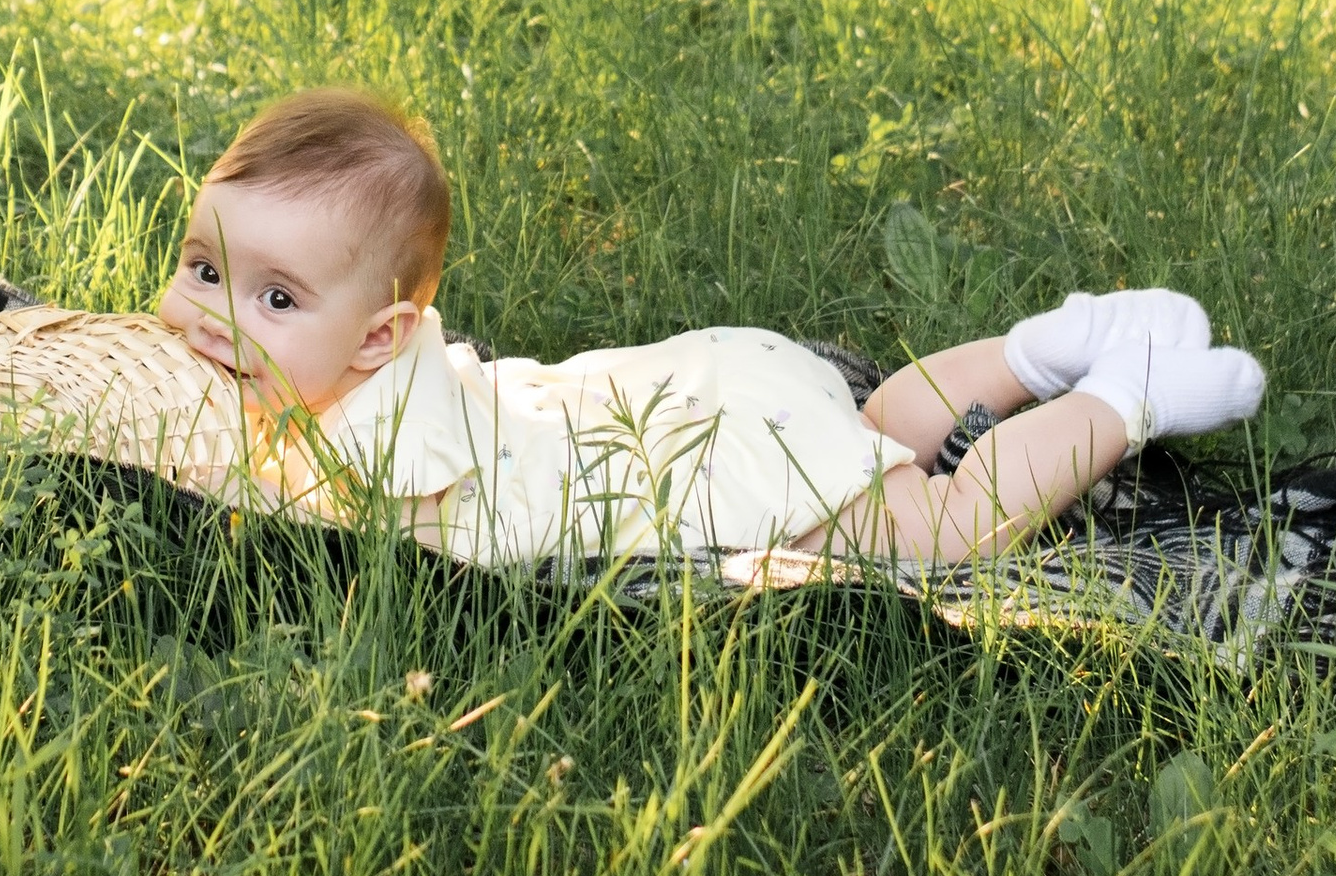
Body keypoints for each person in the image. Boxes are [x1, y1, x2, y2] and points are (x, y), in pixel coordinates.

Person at [157, 86, 1265, 583]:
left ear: (377, 335)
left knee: (940, 525)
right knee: (872, 424)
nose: (213, 316)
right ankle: (1037, 349)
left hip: (710, 464)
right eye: (204, 268)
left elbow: (305, 539)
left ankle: (1125, 392)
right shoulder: (346, 369)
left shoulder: (372, 452)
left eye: (275, 298)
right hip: (721, 380)